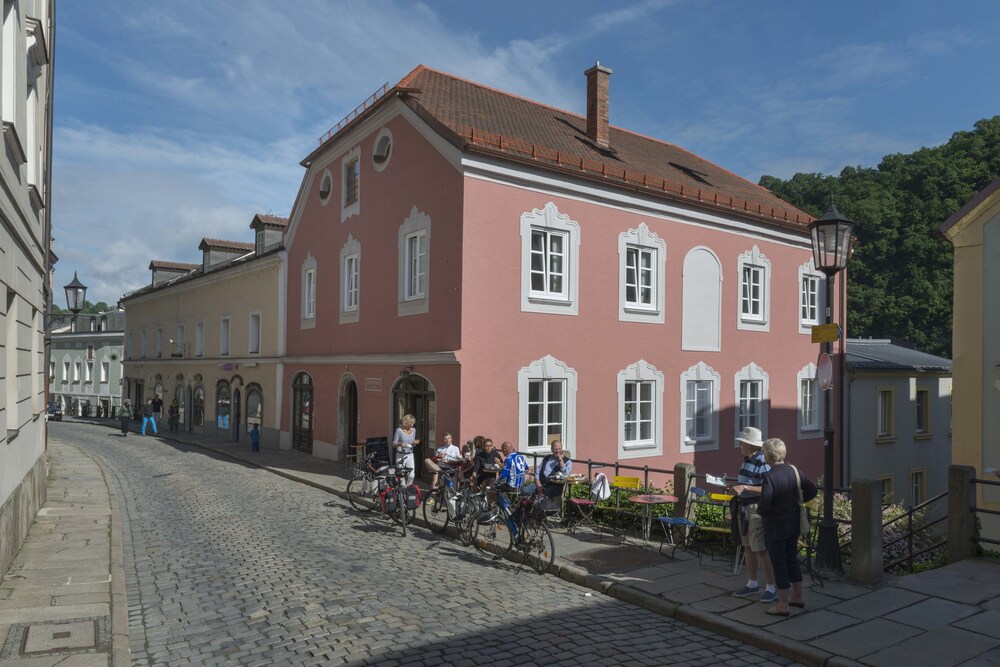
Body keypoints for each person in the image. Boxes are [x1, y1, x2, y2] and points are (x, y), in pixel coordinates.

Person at [758, 438, 818, 616]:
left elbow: (764, 505)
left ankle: (782, 604)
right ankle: (798, 596)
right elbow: (812, 491)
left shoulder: (770, 477)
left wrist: (763, 511)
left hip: (776, 525)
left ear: (768, 456)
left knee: (779, 562)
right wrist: (797, 502)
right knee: (791, 558)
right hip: (794, 523)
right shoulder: (794, 470)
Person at [729, 426, 778, 604]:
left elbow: (767, 488)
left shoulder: (762, 461)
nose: (740, 445)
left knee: (760, 549)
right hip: (745, 508)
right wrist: (737, 488)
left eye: (742, 442)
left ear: (749, 445)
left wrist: (745, 488)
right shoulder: (748, 460)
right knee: (748, 547)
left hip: (756, 510)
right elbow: (747, 484)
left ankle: (772, 587)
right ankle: (752, 583)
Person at [392, 414, 419, 486]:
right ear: (406, 422)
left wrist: (415, 442)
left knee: (411, 475)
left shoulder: (413, 430)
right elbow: (394, 444)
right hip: (401, 455)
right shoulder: (399, 431)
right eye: (411, 423)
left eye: (413, 423)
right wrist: (400, 444)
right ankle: (402, 491)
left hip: (410, 455)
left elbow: (412, 442)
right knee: (401, 476)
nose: (412, 425)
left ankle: (408, 489)